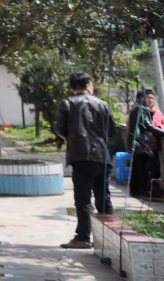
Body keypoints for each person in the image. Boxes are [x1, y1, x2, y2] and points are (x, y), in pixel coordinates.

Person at [55, 71, 116, 250]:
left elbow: (60, 128)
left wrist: (74, 138)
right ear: (88, 85)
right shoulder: (103, 104)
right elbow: (111, 130)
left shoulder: (67, 103)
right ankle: (109, 239)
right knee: (104, 197)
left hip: (81, 156)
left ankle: (83, 237)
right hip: (103, 156)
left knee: (83, 199)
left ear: (73, 86)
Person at [127, 89, 164, 199]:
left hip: (138, 143)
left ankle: (136, 191)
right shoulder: (140, 108)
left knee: (137, 168)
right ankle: (144, 192)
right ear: (141, 98)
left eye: (152, 98)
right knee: (143, 170)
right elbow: (148, 126)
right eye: (148, 97)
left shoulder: (137, 108)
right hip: (142, 143)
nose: (150, 100)